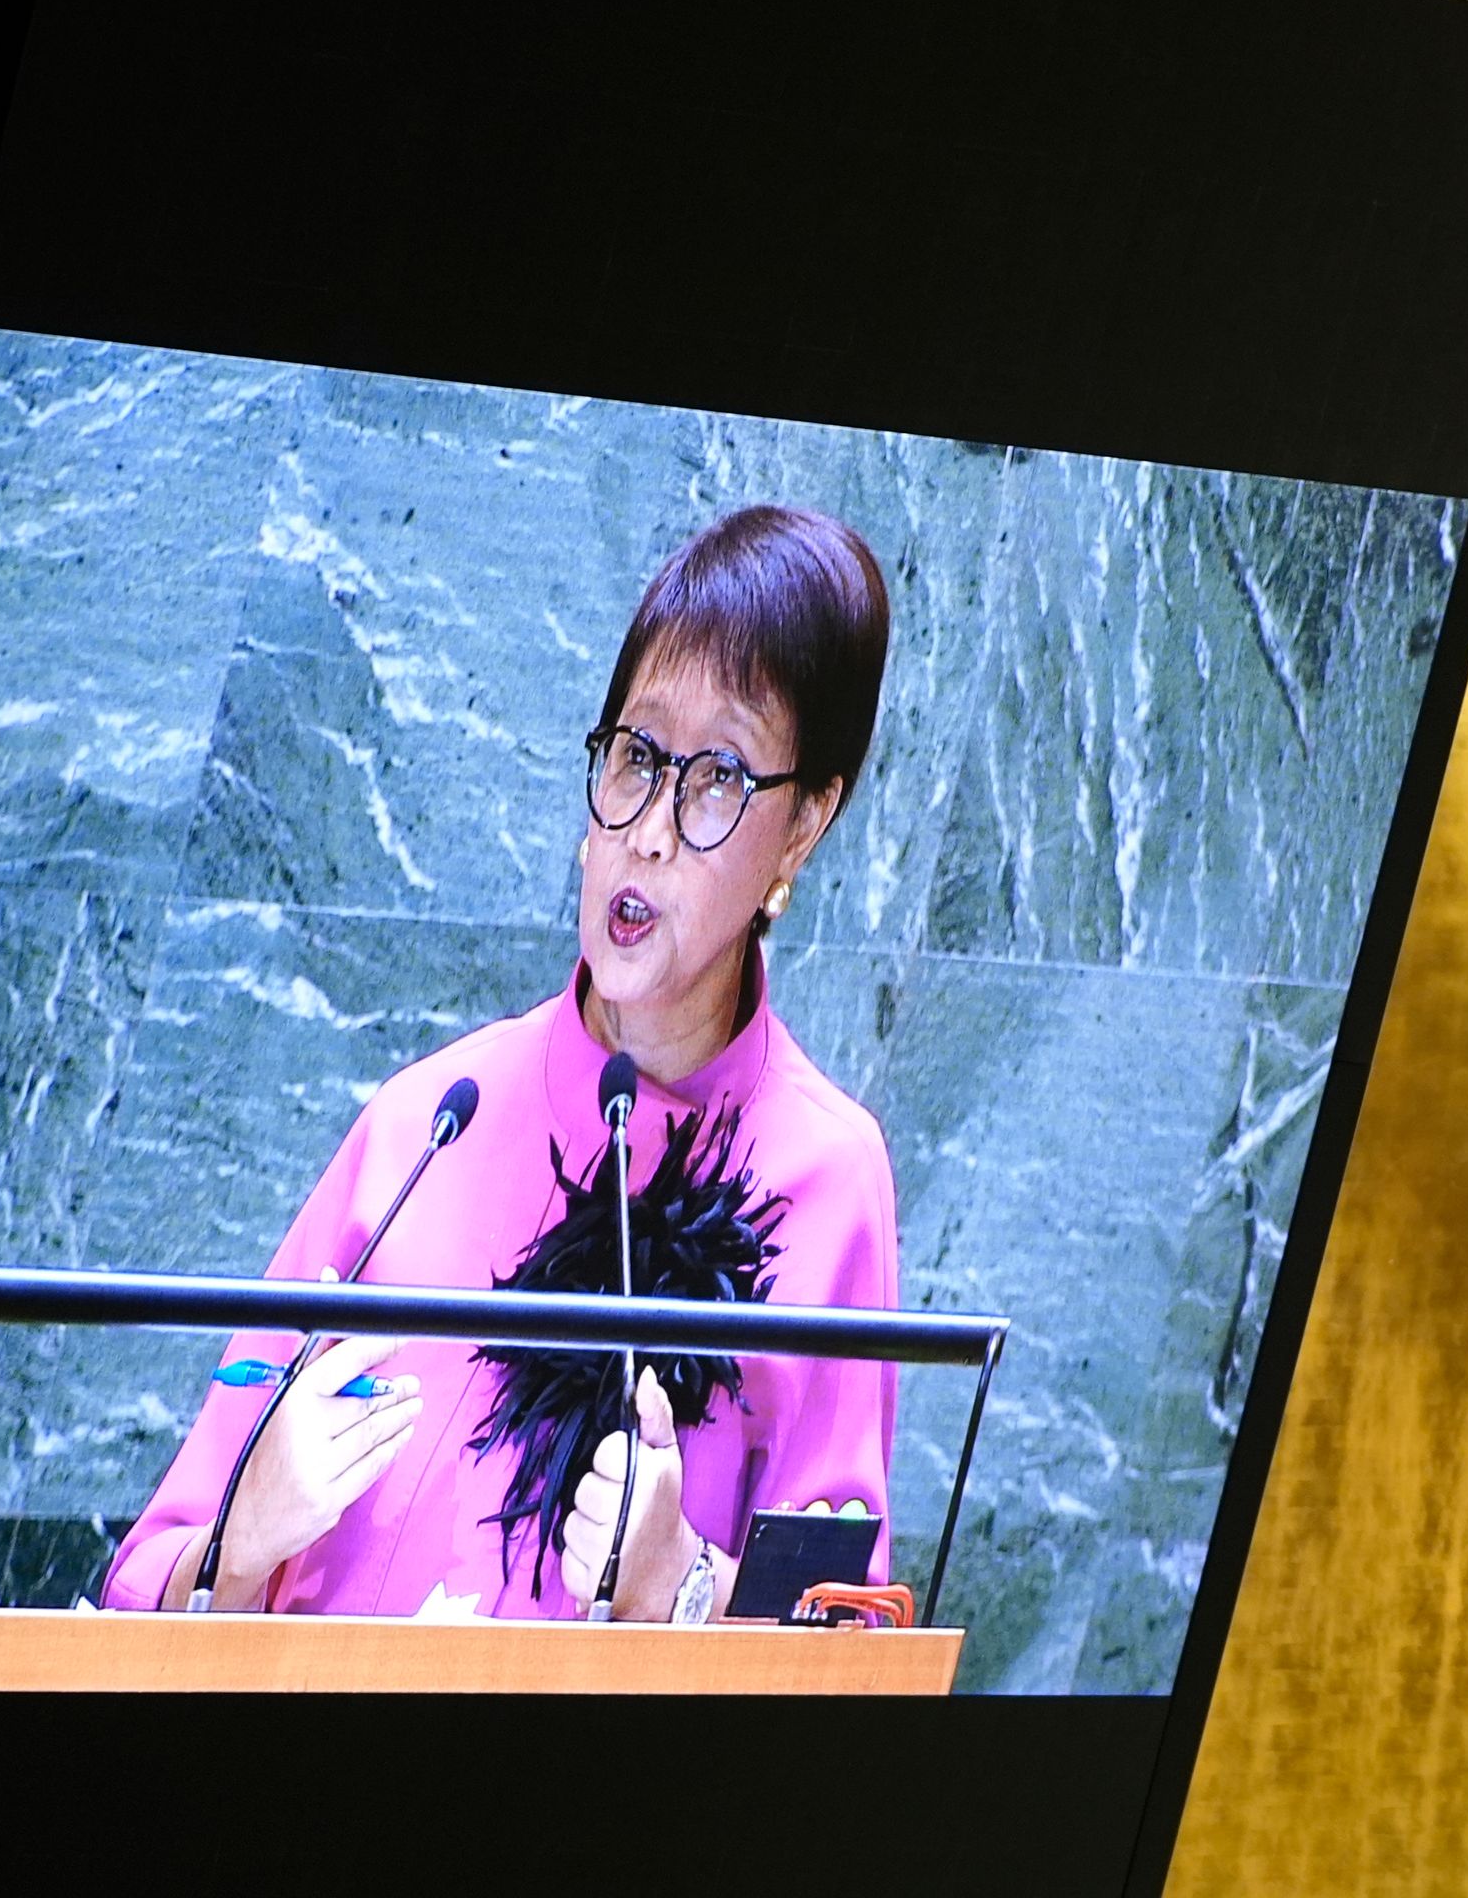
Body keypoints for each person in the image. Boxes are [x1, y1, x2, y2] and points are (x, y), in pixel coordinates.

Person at [100, 505, 903, 1624]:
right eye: (635, 755)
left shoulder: (827, 1173)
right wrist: (237, 1546)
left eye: (718, 775)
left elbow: (847, 1634)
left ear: (806, 824)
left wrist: (684, 1583)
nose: (652, 829)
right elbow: (149, 1567)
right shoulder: (432, 1118)